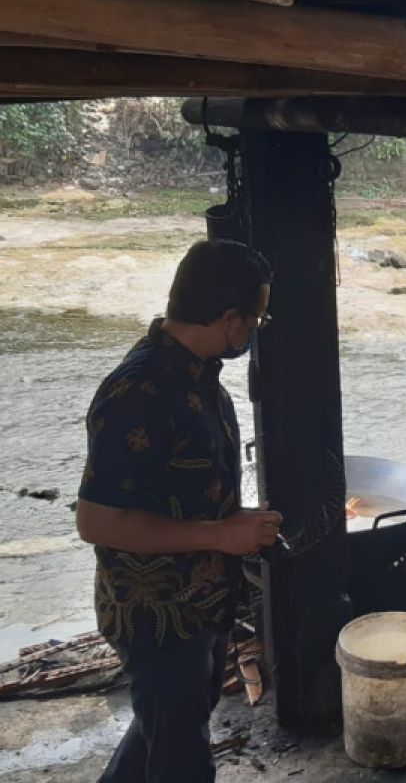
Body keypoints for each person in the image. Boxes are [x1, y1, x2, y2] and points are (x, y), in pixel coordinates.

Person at [76, 239, 283, 783]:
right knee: (182, 759)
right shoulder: (137, 392)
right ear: (229, 319)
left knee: (163, 727)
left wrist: (237, 524)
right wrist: (220, 535)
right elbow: (96, 521)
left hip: (202, 601)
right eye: (257, 317)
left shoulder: (197, 373)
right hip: (158, 615)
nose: (257, 329)